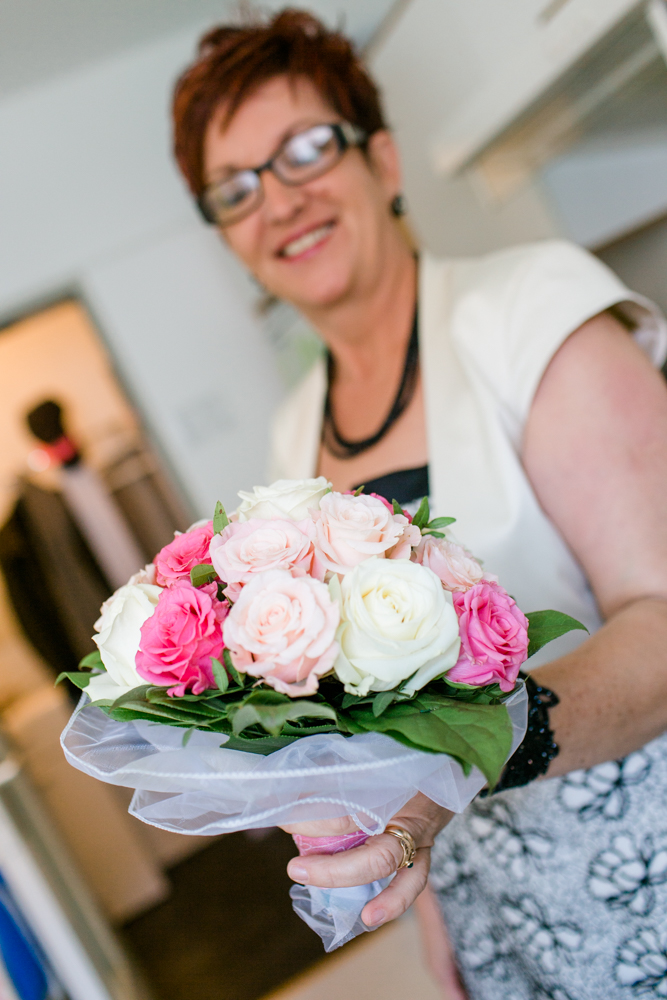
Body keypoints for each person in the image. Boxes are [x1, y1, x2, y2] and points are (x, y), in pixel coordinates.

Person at [171, 10, 667, 998]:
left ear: (383, 159)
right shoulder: (289, 437)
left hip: (638, 871)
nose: (279, 198)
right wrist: (437, 921)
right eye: (235, 187)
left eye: (306, 148)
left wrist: (476, 748)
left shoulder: (534, 309)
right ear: (230, 238)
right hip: (487, 904)